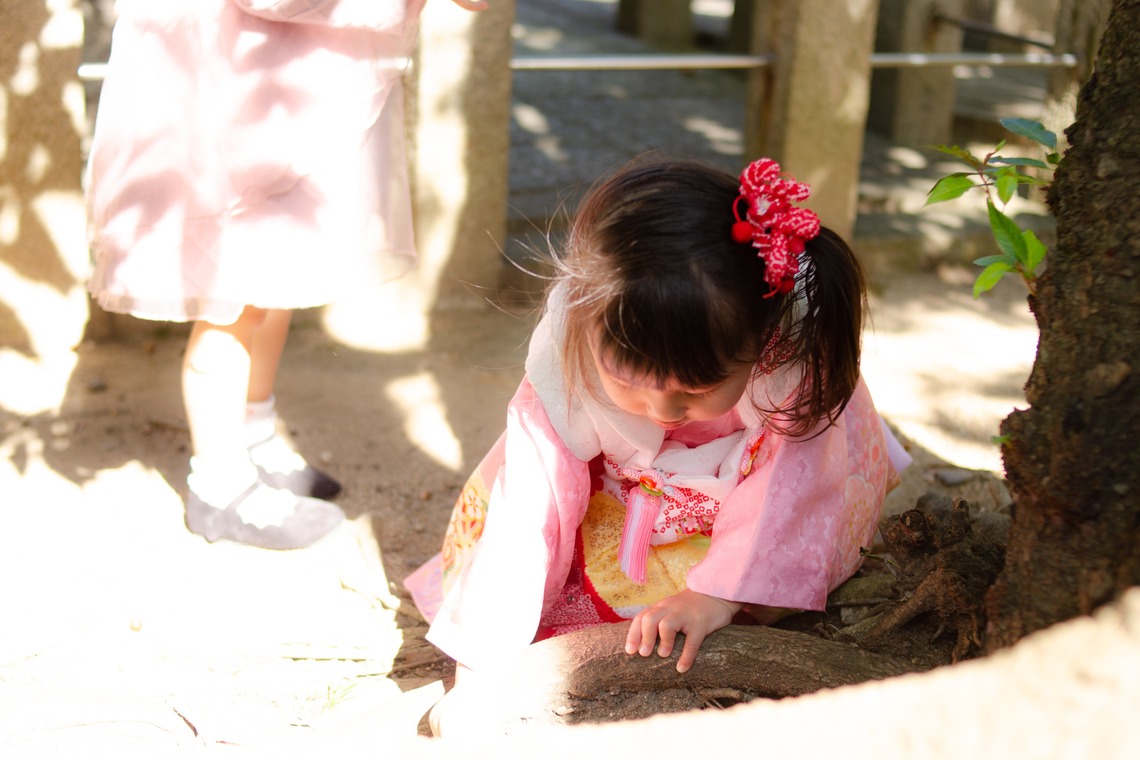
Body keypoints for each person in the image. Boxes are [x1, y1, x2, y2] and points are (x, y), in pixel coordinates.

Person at [403, 154, 912, 734]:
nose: (662, 411)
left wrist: (716, 596)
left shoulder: (790, 365)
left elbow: (789, 490)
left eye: (696, 389)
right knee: (535, 532)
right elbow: (529, 507)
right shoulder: (571, 343)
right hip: (633, 476)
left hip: (760, 493)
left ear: (758, 342)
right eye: (630, 380)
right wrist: (479, 671)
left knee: (700, 602)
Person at [85, 0, 487, 550]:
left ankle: (254, 432)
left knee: (274, 282)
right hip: (234, 97)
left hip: (285, 91)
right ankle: (220, 486)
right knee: (229, 298)